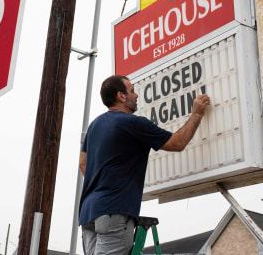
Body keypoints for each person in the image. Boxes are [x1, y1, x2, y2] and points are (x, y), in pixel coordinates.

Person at [79, 75, 210, 255]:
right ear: (121, 96)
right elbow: (177, 143)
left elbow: (82, 163)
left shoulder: (94, 126)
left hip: (88, 213)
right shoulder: (133, 123)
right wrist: (196, 114)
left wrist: (103, 183)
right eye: (132, 91)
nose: (137, 95)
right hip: (113, 211)